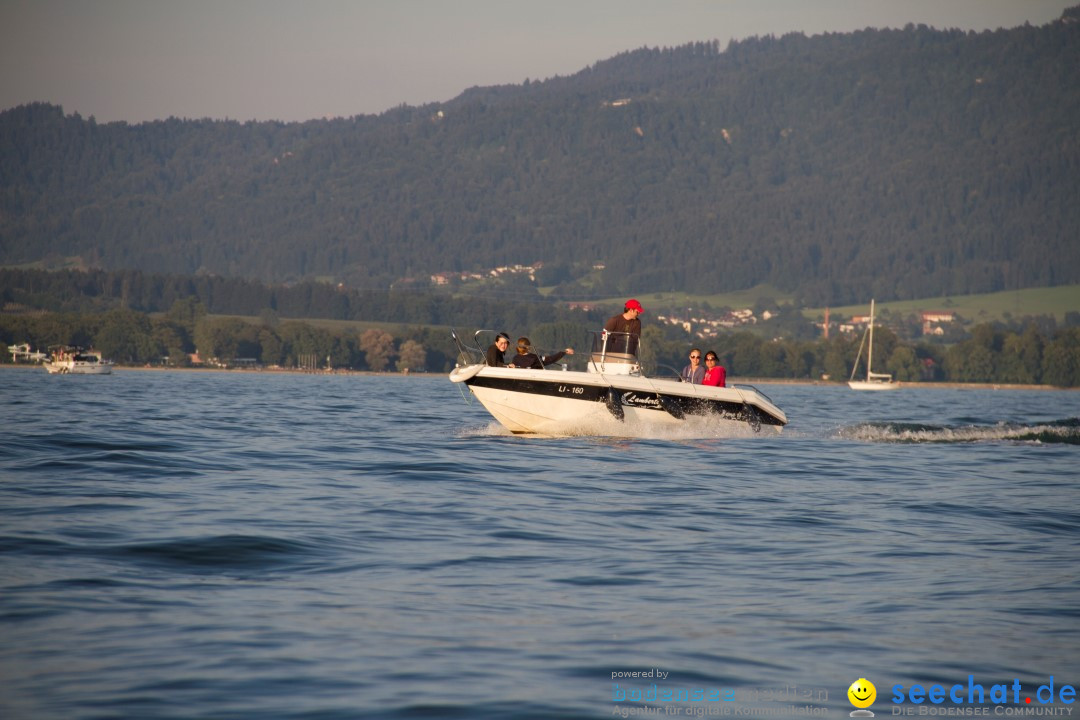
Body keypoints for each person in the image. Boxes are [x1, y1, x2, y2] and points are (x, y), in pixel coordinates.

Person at [510, 337, 575, 369]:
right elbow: (550, 359)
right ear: (528, 347)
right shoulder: (534, 358)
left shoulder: (515, 358)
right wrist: (564, 352)